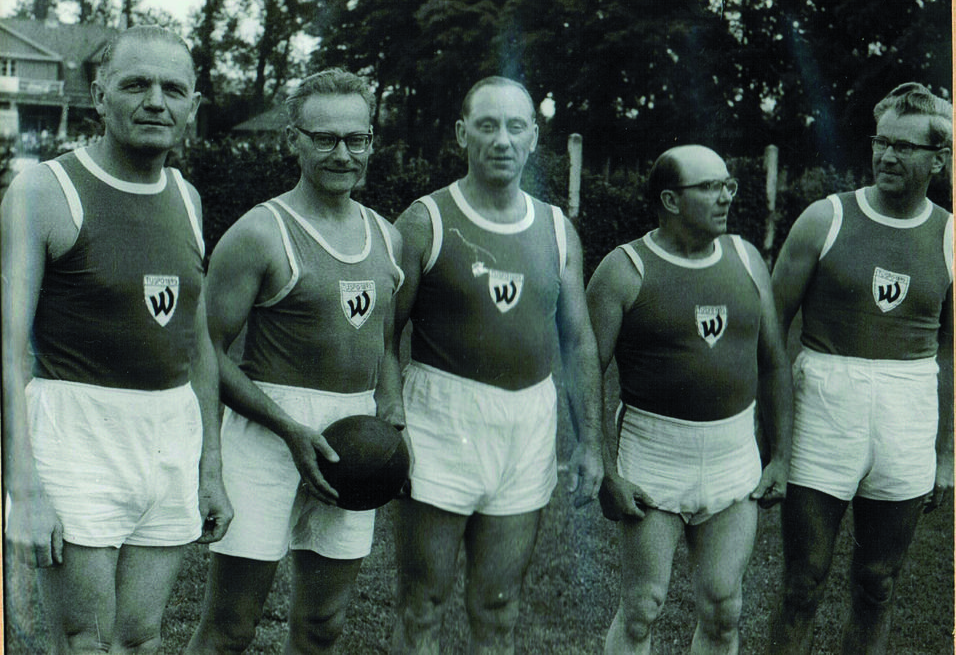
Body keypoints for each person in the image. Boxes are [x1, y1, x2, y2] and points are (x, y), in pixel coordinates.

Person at [1, 25, 232, 653]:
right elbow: (6, 349)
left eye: (173, 89)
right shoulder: (46, 191)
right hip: (75, 436)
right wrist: (23, 490)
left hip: (166, 439)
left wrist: (210, 466)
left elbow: (200, 342)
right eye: (136, 84)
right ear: (99, 96)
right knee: (85, 641)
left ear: (192, 104)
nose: (156, 100)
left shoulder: (187, 197)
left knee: (139, 638)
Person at [184, 68, 404, 654]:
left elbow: (383, 340)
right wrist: (286, 427)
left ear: (371, 142)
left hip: (354, 443)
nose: (341, 153)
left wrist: (392, 414)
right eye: (324, 137)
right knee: (231, 628)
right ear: (292, 141)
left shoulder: (387, 235)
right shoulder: (261, 231)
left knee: (323, 626)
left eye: (356, 139)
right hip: (267, 434)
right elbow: (201, 348)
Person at [383, 76, 604, 654]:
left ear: (534, 137)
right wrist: (394, 420)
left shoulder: (557, 229)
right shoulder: (425, 220)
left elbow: (578, 341)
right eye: (487, 125)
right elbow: (384, 336)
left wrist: (590, 444)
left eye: (515, 126)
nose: (501, 139)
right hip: (440, 421)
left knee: (498, 610)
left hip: (527, 424)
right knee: (422, 606)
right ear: (462, 134)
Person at [768, 83, 954, 654]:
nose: (887, 156)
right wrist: (773, 440)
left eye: (905, 147)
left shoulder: (949, 234)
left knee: (879, 581)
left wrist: (947, 454)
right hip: (827, 399)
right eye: (881, 142)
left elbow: (951, 354)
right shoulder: (825, 218)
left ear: (939, 159)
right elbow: (770, 331)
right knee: (804, 581)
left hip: (908, 407)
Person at [587, 145, 793, 655]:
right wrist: (606, 471)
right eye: (709, 187)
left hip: (731, 454)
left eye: (728, 185)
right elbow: (585, 372)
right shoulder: (624, 269)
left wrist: (782, 456)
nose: (725, 196)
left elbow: (773, 362)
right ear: (670, 200)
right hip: (653, 454)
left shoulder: (748, 259)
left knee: (724, 607)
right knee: (642, 607)